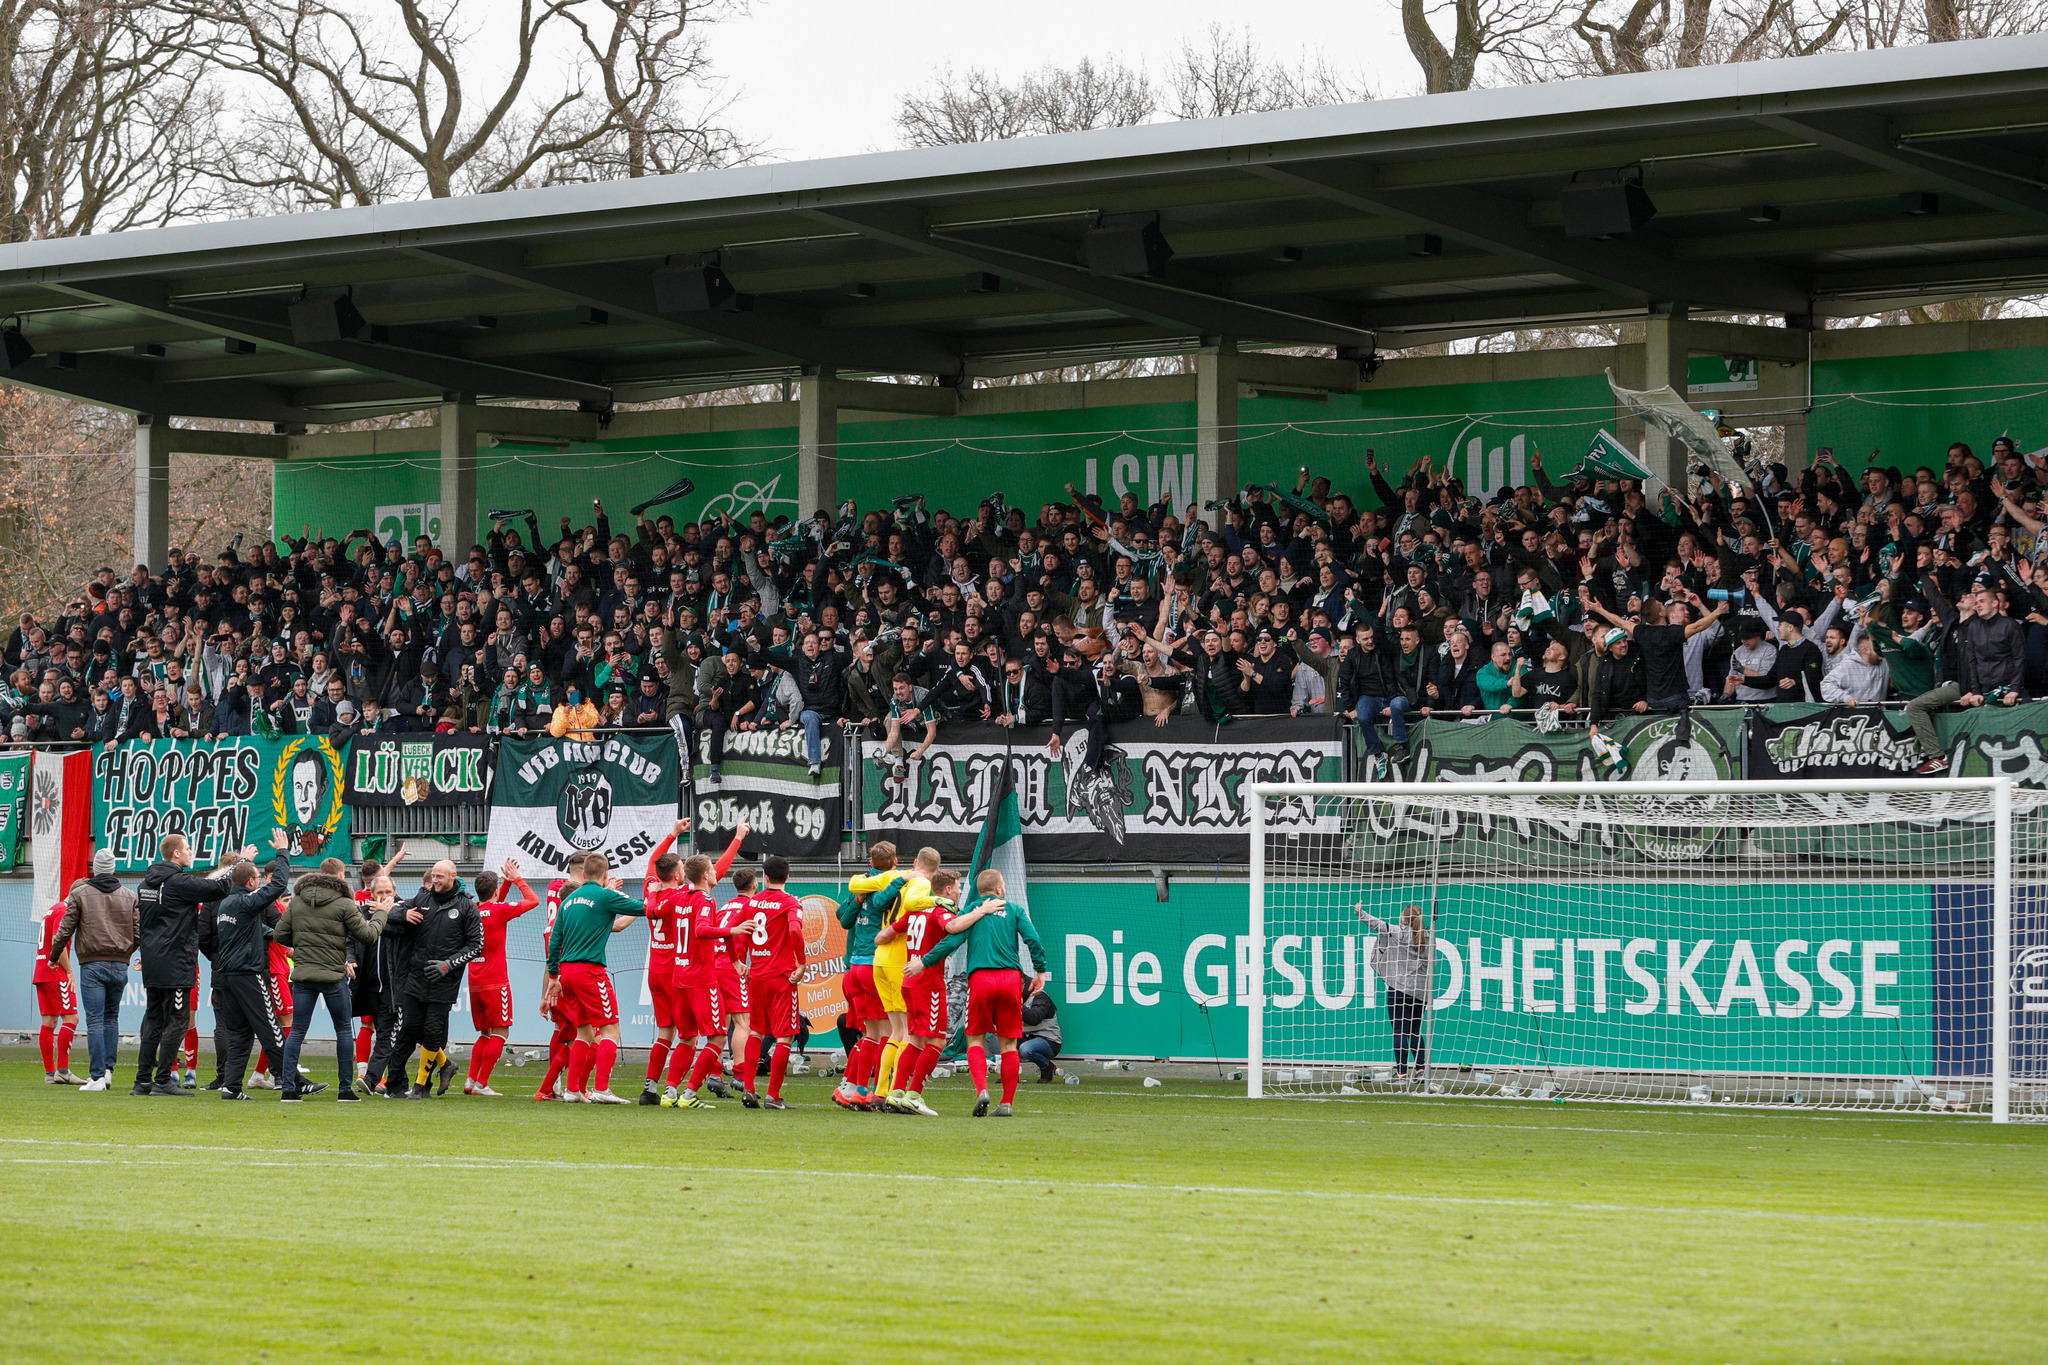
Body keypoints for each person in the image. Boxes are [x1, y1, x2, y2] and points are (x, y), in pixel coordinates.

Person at [905, 867, 1051, 1118]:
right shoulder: (1014, 910)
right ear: (998, 889)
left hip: (981, 979)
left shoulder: (971, 913)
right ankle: (1006, 1103)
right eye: (1003, 884)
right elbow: (1033, 939)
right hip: (1010, 979)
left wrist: (924, 962)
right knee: (1009, 1045)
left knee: (974, 1039)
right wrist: (1040, 971)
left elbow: (949, 942)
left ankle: (982, 1091)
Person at [134, 833, 258, 1096]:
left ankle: (142, 1081)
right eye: (188, 848)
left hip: (153, 961)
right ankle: (163, 1080)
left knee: (154, 1019)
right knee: (178, 1021)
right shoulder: (179, 882)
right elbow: (221, 887)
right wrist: (242, 862)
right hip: (175, 963)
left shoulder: (145, 884)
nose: (191, 852)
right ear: (176, 854)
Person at [200, 832, 316, 1100]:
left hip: (227, 976)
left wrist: (282, 938)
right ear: (252, 882)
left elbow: (254, 929)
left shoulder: (228, 903)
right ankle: (292, 1084)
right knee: (272, 1031)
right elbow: (277, 886)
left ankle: (231, 1087)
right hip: (248, 975)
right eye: (255, 878)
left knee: (240, 1033)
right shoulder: (246, 901)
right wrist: (284, 852)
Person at [542, 851, 650, 1104]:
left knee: (583, 1033)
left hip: (566, 973)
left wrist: (555, 977)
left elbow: (555, 939)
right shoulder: (604, 895)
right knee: (611, 1030)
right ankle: (601, 1088)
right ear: (605, 874)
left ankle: (573, 1091)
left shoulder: (568, 901)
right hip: (590, 971)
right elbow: (646, 909)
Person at [275, 855, 384, 1102]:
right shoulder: (345, 904)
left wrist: (304, 944)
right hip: (333, 975)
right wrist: (382, 915)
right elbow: (367, 936)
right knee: (344, 1030)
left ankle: (288, 1089)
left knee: (297, 1032)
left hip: (303, 975)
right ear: (340, 876)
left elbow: (280, 934)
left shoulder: (298, 901)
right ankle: (345, 1090)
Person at [382, 860, 483, 1099]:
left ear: (453, 876)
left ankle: (419, 1087)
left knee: (432, 1031)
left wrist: (448, 965)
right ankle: (442, 1066)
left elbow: (476, 945)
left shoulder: (467, 906)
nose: (435, 881)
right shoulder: (422, 899)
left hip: (444, 982)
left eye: (440, 877)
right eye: (433, 876)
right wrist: (403, 912)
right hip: (416, 978)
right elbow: (392, 911)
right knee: (409, 1029)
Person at [663, 849, 752, 1109]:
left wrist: (735, 959)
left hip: (679, 975)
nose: (717, 872)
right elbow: (703, 930)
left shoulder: (679, 895)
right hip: (701, 978)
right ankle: (689, 1094)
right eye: (713, 869)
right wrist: (734, 929)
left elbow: (654, 911)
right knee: (717, 1038)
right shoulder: (705, 899)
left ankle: (669, 1093)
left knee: (687, 1037)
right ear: (704, 876)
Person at [854, 844, 939, 1114]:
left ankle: (880, 1092)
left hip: (879, 958)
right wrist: (938, 901)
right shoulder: (923, 884)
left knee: (894, 1031)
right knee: (907, 1033)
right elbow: (913, 905)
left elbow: (856, 885)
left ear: (914, 861)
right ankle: (893, 1092)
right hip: (898, 960)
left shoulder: (896, 876)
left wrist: (899, 877)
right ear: (935, 871)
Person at [49, 847, 137, 1090]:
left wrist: (54, 957)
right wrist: (125, 953)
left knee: (96, 1019)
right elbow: (139, 933)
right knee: (111, 1017)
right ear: (113, 869)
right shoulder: (130, 895)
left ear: (94, 869)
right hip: (120, 965)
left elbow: (64, 930)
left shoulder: (80, 893)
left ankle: (97, 1077)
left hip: (92, 964)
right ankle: (108, 1071)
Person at [887, 867, 961, 1116]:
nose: (960, 892)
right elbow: (951, 928)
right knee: (938, 1040)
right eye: (958, 888)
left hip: (909, 982)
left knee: (917, 1040)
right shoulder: (940, 911)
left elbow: (888, 932)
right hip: (928, 984)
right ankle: (915, 1095)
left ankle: (896, 1093)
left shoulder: (915, 910)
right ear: (947, 890)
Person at [463, 858, 538, 1096]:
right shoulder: (500, 911)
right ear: (494, 891)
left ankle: (470, 1081)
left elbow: (494, 903)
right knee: (501, 1032)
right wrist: (516, 879)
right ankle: (482, 1085)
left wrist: (504, 884)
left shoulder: (472, 911)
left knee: (485, 1034)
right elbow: (533, 900)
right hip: (496, 982)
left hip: (475, 981)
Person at [830, 842, 894, 1111]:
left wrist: (856, 900)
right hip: (873, 968)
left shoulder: (860, 886)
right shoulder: (887, 889)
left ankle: (852, 1087)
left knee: (867, 1035)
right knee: (888, 1034)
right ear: (894, 862)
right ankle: (879, 1091)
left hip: (853, 969)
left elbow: (842, 918)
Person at [738, 854, 805, 1110]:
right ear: (787, 877)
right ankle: (773, 1096)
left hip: (757, 976)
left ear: (764, 878)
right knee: (785, 1037)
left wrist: (739, 962)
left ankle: (748, 1088)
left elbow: (738, 932)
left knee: (756, 1031)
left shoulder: (752, 903)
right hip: (781, 977)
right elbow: (794, 930)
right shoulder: (791, 902)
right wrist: (801, 962)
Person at [1355, 903, 1431, 1080]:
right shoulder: (1427, 937)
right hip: (1419, 990)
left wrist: (1361, 913)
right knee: (1415, 1030)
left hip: (1398, 987)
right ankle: (1420, 1071)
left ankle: (1401, 1072)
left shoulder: (1398, 932)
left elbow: (1378, 925)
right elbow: (1431, 966)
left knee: (1399, 1030)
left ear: (1404, 918)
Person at [33, 896, 83, 1085]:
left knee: (49, 1020)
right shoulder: (63, 910)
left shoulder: (53, 909)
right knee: (71, 1018)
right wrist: (69, 970)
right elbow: (57, 940)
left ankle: (50, 1074)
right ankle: (63, 1071)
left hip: (41, 970)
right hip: (55, 971)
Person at [1019, 987, 1062, 1083]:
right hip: (1026, 1037)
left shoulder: (1040, 996)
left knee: (1026, 1049)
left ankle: (1047, 1066)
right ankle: (1010, 1074)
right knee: (1004, 1039)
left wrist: (1017, 1004)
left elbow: (1034, 1018)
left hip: (1049, 1040)